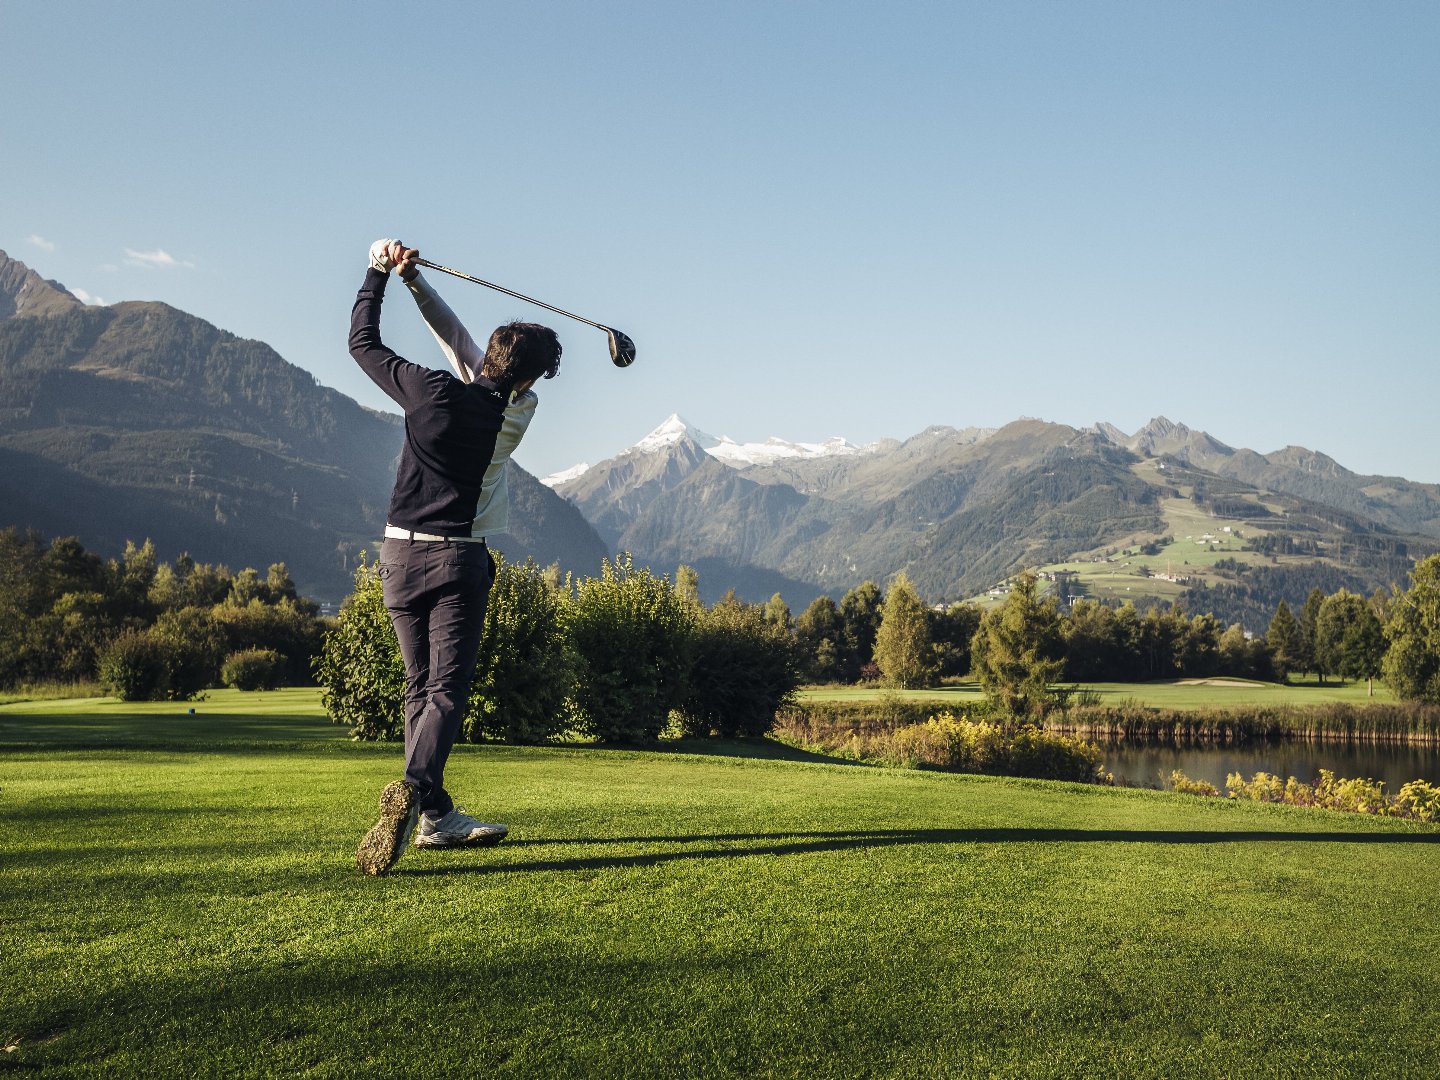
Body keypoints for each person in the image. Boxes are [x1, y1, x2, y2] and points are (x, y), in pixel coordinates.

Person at [350, 239, 561, 876]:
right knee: (446, 688)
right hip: (457, 562)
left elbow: (365, 342)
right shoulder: (517, 413)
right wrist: (411, 279)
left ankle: (437, 816)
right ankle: (414, 791)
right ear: (526, 377)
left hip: (396, 556)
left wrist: (384, 274)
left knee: (420, 688)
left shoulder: (429, 392)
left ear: (486, 357)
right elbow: (467, 347)